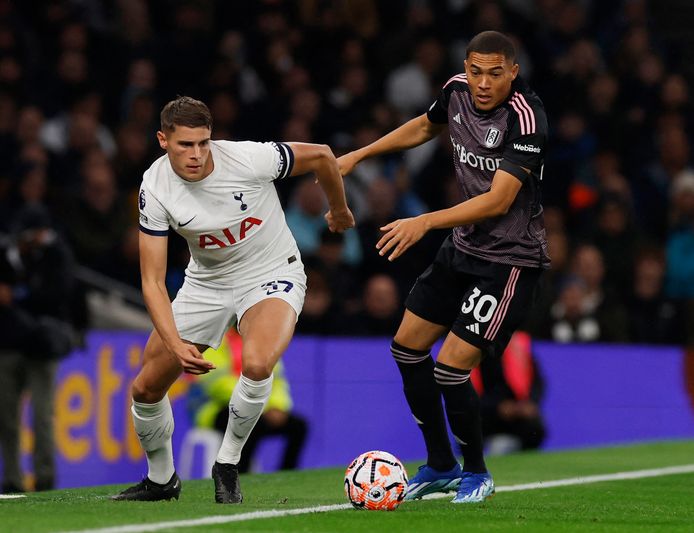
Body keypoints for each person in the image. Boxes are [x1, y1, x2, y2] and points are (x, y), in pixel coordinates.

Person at [338, 31, 549, 503]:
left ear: (513, 72)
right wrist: (359, 155)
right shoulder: (455, 90)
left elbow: (498, 202)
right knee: (407, 348)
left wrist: (423, 222)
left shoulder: (526, 118)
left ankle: (477, 472)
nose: (483, 82)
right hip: (464, 248)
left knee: (451, 368)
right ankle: (439, 465)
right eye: (476, 70)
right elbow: (424, 126)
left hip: (509, 260)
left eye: (495, 72)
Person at [112, 96, 353, 503]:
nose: (197, 153)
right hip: (205, 284)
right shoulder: (154, 187)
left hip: (271, 272)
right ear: (162, 140)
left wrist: (340, 209)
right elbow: (152, 281)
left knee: (258, 363)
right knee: (146, 389)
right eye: (185, 144)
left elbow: (324, 156)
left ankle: (227, 463)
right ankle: (161, 479)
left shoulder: (248, 159)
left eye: (203, 142)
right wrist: (175, 344)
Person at [0, 205, 78, 493]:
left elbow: (57, 294)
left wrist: (18, 295)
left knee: (42, 414)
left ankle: (44, 477)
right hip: (8, 343)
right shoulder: (10, 255)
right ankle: (12, 478)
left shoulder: (56, 254)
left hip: (41, 345)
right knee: (6, 416)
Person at [190, 328, 308, 473]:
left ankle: (286, 476)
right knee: (250, 420)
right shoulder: (215, 338)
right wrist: (260, 405)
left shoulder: (264, 342)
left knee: (299, 426)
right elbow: (216, 384)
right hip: (215, 408)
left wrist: (277, 407)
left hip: (261, 407)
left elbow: (277, 380)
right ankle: (240, 474)